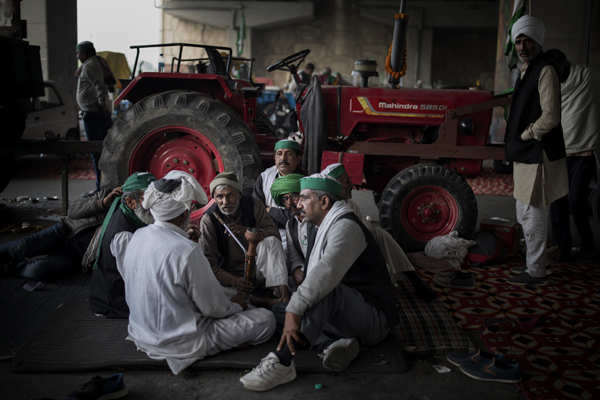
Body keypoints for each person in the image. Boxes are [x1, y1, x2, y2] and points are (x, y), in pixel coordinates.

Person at [240, 174, 398, 391]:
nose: (298, 203)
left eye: (304, 198)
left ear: (324, 202)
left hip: (373, 318)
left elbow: (324, 274)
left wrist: (294, 312)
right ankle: (331, 343)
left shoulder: (346, 227)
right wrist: (291, 309)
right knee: (276, 312)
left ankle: (283, 362)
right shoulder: (316, 227)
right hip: (343, 314)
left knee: (318, 295)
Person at [110, 171, 275, 375]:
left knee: (229, 295)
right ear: (183, 213)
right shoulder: (186, 251)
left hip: (142, 332)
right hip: (181, 342)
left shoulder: (138, 236)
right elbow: (213, 309)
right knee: (265, 320)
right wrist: (237, 306)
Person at [504, 16, 568, 284]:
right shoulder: (527, 70)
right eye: (518, 41)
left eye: (527, 40)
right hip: (524, 151)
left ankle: (536, 271)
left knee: (532, 213)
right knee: (524, 212)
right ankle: (535, 264)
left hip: (536, 151)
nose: (521, 46)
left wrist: (527, 133)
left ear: (537, 42)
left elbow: (551, 116)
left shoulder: (545, 71)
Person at [322, 163, 435, 299]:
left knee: (379, 235)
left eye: (349, 180)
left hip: (359, 245)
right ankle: (410, 280)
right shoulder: (328, 208)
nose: (351, 185)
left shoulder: (350, 204)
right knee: (377, 237)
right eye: (346, 182)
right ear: (335, 186)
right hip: (342, 252)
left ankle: (410, 279)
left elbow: (363, 229)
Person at [199, 172, 290, 305]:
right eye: (220, 197)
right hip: (230, 277)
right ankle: (260, 300)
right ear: (214, 198)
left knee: (271, 242)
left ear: (239, 195)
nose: (225, 202)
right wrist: (234, 281)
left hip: (258, 269)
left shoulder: (253, 205)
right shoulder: (209, 220)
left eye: (230, 195)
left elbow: (273, 232)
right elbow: (208, 263)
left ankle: (281, 295)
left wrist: (249, 232)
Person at [0, 186, 121, 280]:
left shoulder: (127, 225)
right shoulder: (107, 194)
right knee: (21, 247)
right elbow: (72, 211)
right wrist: (102, 203)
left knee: (38, 270)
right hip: (64, 230)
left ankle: (10, 268)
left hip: (76, 255)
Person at [545, 49, 599, 260]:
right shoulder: (552, 85)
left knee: (576, 201)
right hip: (560, 152)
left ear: (565, 64)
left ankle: (588, 244)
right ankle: (563, 247)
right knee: (557, 201)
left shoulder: (587, 77)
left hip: (584, 153)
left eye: (557, 69)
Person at [89, 172, 156, 318]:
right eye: (149, 199)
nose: (155, 205)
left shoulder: (129, 213)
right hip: (115, 303)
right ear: (130, 202)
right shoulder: (124, 237)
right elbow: (137, 281)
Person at [76, 41, 112, 191]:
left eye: (78, 53)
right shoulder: (94, 63)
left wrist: (101, 106)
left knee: (97, 152)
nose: (78, 56)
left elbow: (100, 87)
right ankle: (102, 186)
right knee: (100, 151)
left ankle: (101, 187)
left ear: (84, 53)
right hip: (95, 113)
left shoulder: (90, 65)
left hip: (94, 114)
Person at [269, 173, 314, 290]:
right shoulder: (290, 224)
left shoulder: (315, 220)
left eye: (294, 197)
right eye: (285, 199)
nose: (289, 203)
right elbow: (293, 255)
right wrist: (296, 270)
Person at [253, 139, 303, 230]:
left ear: (298, 159)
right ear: (274, 158)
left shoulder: (306, 180)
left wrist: (270, 210)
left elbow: (299, 218)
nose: (283, 158)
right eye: (279, 154)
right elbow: (257, 210)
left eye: (289, 154)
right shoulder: (265, 177)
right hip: (269, 233)